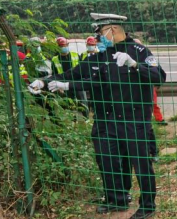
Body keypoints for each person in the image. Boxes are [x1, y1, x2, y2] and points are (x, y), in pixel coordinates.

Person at [29, 13, 166, 219]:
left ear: (113, 29)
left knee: (140, 162)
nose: (100, 38)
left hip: (134, 119)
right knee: (106, 160)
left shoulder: (138, 51)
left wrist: (135, 65)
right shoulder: (98, 57)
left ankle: (147, 205)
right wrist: (44, 82)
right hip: (105, 120)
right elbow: (71, 75)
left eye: (102, 32)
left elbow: (160, 77)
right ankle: (116, 199)